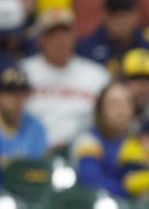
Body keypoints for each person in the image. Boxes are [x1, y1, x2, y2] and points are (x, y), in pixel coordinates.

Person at [22, 8, 110, 152]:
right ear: (41, 39)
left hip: (80, 154)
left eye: (65, 34)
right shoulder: (23, 72)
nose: (60, 41)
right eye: (52, 35)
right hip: (30, 151)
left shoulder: (98, 76)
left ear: (74, 36)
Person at [76, 0, 149, 74]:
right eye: (114, 15)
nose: (119, 21)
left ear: (136, 16)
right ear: (104, 16)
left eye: (124, 15)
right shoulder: (85, 48)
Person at [0, 63, 46, 166]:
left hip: (26, 181)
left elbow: (39, 164)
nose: (16, 99)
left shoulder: (35, 126)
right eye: (10, 93)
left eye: (21, 93)